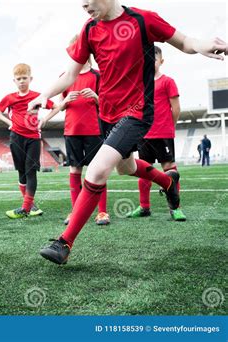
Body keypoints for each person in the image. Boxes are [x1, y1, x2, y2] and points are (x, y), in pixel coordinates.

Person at [28, 0, 227, 265]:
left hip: (136, 113)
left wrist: (202, 45)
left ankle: (63, 243)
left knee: (97, 170)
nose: (84, 4)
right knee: (126, 167)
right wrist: (44, 94)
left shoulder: (143, 20)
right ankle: (169, 182)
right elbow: (70, 75)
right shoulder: (89, 30)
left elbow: (184, 41)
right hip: (106, 114)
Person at [39, 35, 110, 226]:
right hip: (71, 131)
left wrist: (96, 97)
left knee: (99, 171)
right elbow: (57, 105)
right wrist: (59, 106)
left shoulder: (97, 76)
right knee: (75, 170)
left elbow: (109, 105)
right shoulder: (65, 77)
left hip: (94, 130)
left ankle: (102, 212)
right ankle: (76, 212)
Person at [126, 46, 186, 221]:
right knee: (144, 170)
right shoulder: (140, 83)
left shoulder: (168, 81)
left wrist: (170, 127)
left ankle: (176, 208)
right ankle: (144, 207)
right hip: (144, 134)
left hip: (163, 133)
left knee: (169, 170)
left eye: (154, 58)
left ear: (161, 61)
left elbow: (176, 108)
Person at [0, 63, 56, 218]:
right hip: (16, 138)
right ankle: (30, 205)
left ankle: (25, 208)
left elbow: (56, 106)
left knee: (30, 171)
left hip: (33, 138)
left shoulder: (38, 97)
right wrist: (9, 123)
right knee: (21, 172)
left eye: (24, 78)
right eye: (18, 79)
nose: (21, 81)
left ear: (30, 78)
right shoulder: (10, 98)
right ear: (14, 80)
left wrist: (44, 120)